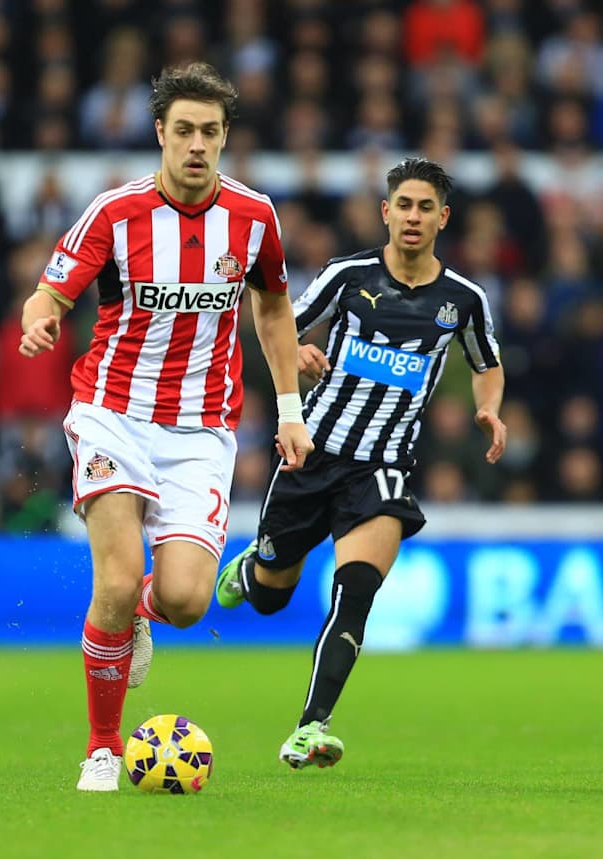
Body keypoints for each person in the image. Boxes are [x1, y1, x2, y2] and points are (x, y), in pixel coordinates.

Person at [18, 62, 313, 791]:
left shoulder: (254, 217)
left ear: (225, 136)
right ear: (160, 133)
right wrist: (41, 320)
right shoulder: (114, 213)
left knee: (184, 601)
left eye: (210, 131)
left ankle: (141, 614)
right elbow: (48, 292)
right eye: (184, 130)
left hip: (201, 430)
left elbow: (273, 307)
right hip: (112, 414)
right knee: (115, 579)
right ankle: (102, 747)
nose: (196, 144)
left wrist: (289, 410)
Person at [216, 157, 507, 770]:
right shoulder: (348, 275)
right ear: (385, 212)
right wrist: (299, 350)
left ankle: (310, 727)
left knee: (355, 597)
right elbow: (278, 323)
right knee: (270, 596)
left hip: (384, 467)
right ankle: (253, 568)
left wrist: (488, 408)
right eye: (404, 205)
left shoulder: (464, 299)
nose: (413, 217)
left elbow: (487, 363)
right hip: (311, 452)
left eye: (425, 207)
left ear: (443, 218)